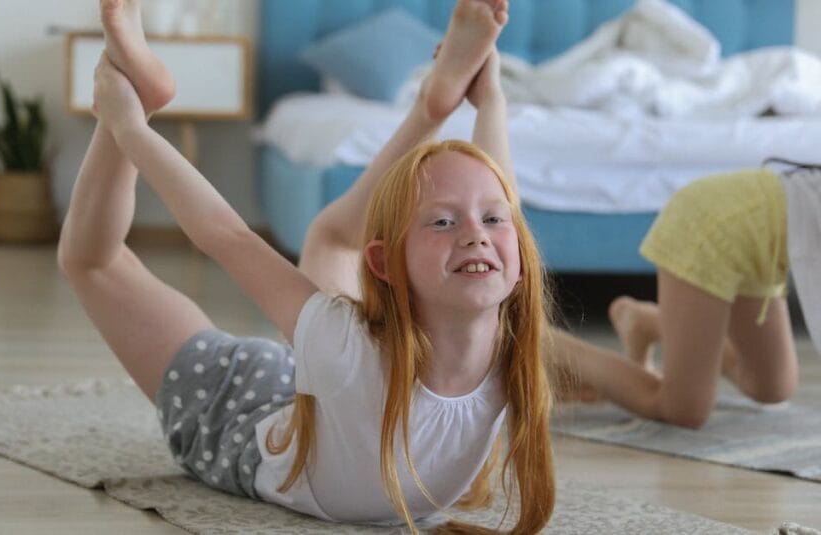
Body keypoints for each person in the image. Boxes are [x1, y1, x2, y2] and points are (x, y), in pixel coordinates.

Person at [58, 0, 556, 532]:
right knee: (91, 262)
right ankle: (135, 102)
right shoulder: (351, 350)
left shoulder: (515, 352)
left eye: (490, 223)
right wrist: (131, 130)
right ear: (384, 264)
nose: (477, 235)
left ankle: (431, 109)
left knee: (330, 237)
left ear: (521, 262)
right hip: (234, 406)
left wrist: (491, 102)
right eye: (441, 223)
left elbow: (504, 210)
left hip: (321, 393)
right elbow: (228, 237)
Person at [548, 159, 821, 429]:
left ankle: (644, 322)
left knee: (771, 387)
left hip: (757, 244)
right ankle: (547, 342)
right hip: (710, 223)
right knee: (683, 410)